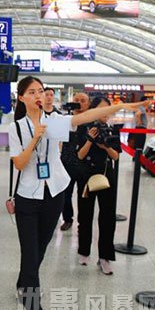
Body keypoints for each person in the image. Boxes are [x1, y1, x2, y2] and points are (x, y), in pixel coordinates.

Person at [9, 76, 147, 310]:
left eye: (40, 90)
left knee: (38, 250)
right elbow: (19, 164)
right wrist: (35, 139)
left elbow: (85, 117)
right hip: (27, 196)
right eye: (32, 91)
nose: (38, 95)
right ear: (22, 98)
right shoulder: (15, 128)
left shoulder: (55, 121)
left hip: (55, 192)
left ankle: (24, 280)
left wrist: (118, 108)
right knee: (29, 251)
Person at [75, 96, 120, 275]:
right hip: (86, 174)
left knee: (108, 217)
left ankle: (105, 257)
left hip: (106, 175)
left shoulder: (111, 130)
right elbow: (79, 155)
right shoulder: (83, 126)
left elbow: (116, 156)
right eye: (102, 109)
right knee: (85, 215)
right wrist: (89, 140)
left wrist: (105, 146)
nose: (106, 114)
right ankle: (84, 251)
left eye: (108, 110)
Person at [58, 92, 89, 231]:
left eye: (83, 101)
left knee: (84, 196)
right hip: (67, 161)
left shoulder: (90, 121)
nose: (80, 103)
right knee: (65, 194)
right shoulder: (66, 120)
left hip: (85, 164)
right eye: (76, 100)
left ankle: (83, 222)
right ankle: (67, 218)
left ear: (88, 104)